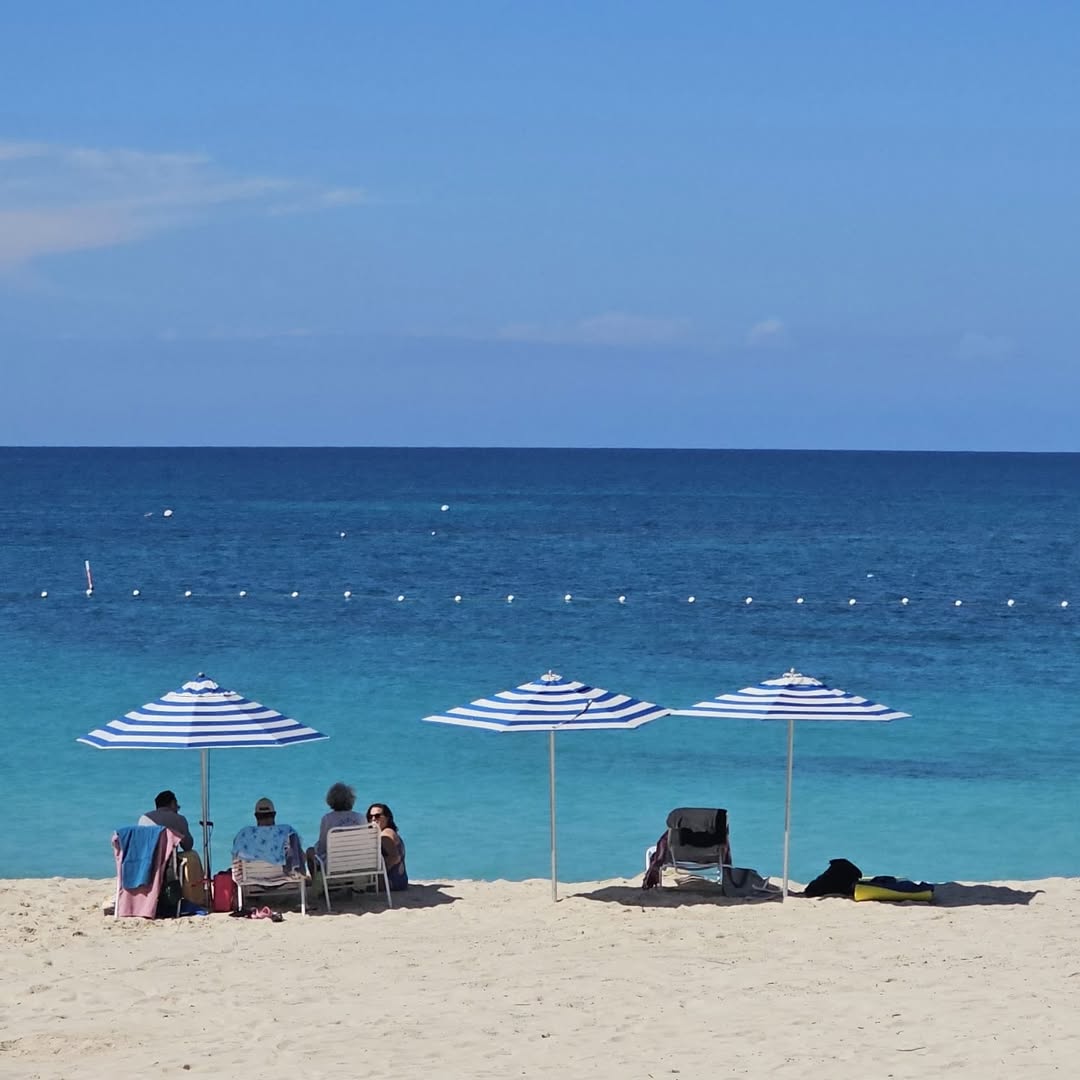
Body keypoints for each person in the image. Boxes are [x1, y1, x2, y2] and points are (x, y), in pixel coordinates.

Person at [306, 782, 366, 876]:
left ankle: (318, 883)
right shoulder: (360, 817)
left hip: (334, 865)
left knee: (310, 851)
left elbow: (322, 847)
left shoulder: (327, 818)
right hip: (360, 862)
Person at [231, 797, 305, 872]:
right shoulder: (287, 831)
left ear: (256, 816)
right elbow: (298, 861)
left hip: (250, 877)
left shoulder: (243, 834)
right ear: (274, 814)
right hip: (282, 877)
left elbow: (235, 863)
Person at [366, 802, 408, 890]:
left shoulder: (386, 835)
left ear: (387, 818)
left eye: (377, 816)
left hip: (392, 881)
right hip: (400, 879)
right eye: (370, 816)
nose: (373, 819)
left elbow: (394, 857)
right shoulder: (389, 832)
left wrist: (379, 876)